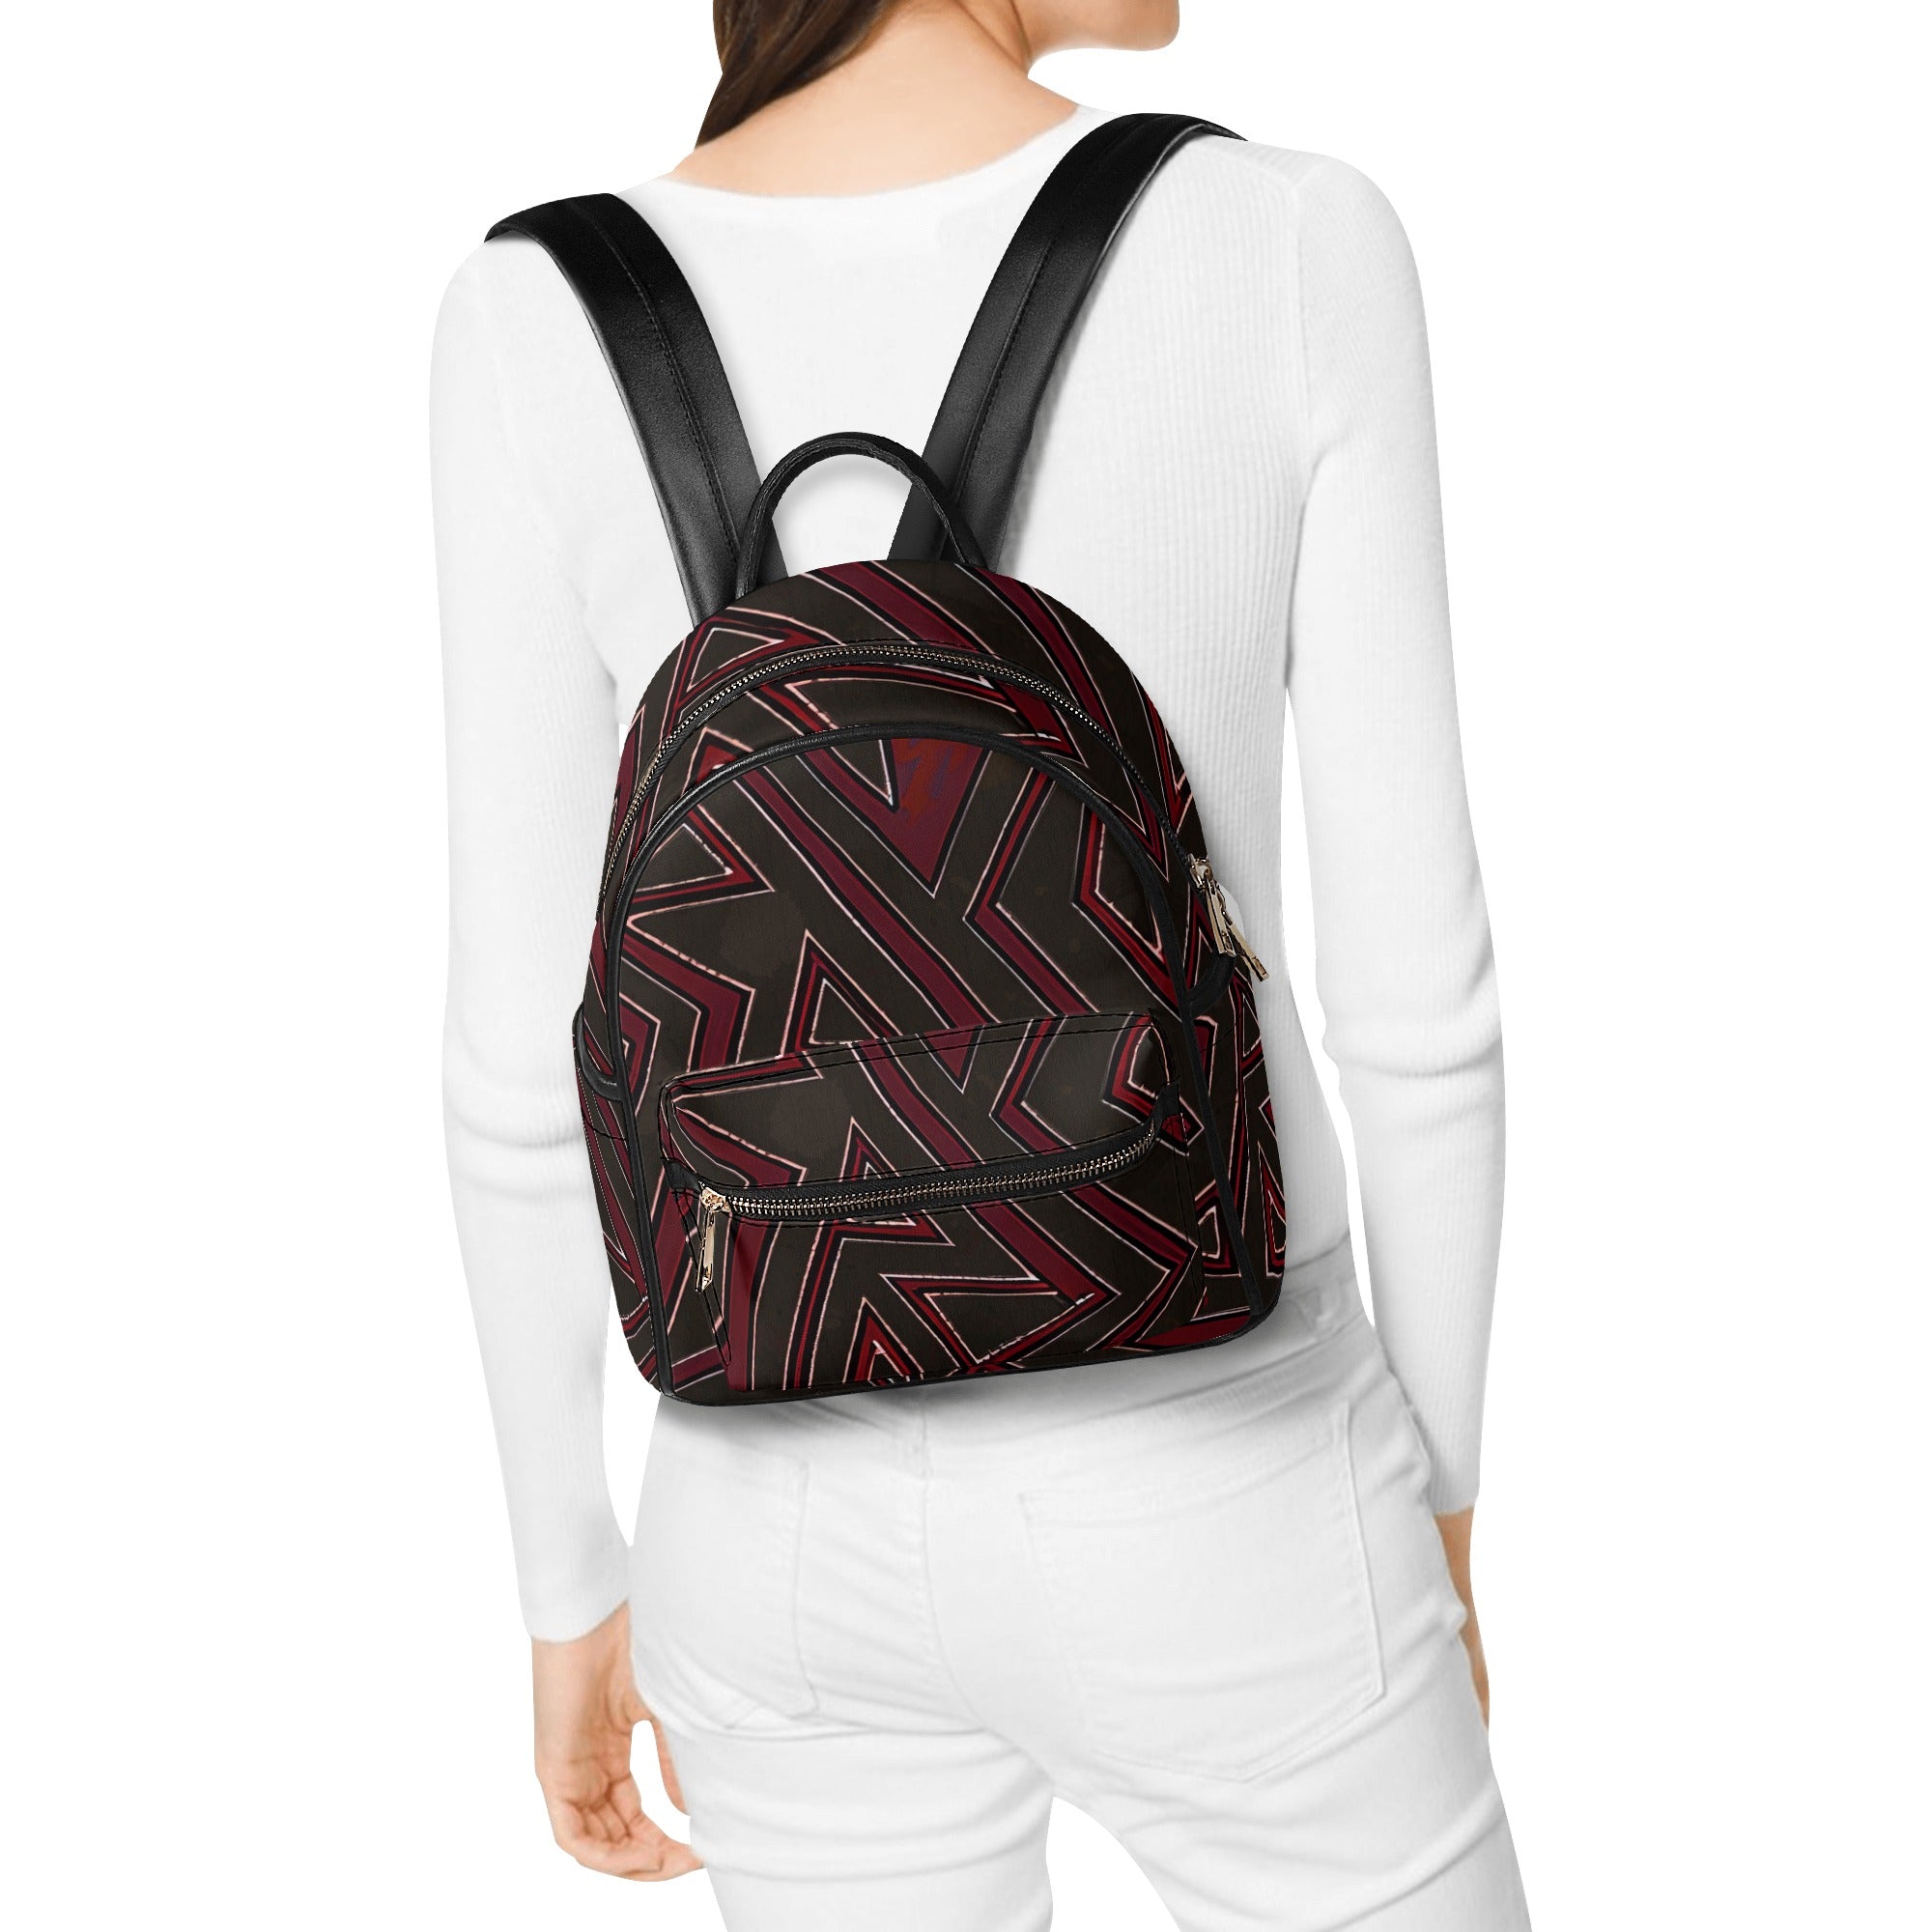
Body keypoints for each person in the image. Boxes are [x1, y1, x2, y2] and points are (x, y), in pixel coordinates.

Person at [430, 3, 1529, 1925]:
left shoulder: (533, 310)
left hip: (758, 1516)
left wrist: (570, 1579)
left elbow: (525, 1079)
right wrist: (1433, 1505)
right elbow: (1418, 1017)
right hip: (1223, 1466)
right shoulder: (1286, 239)